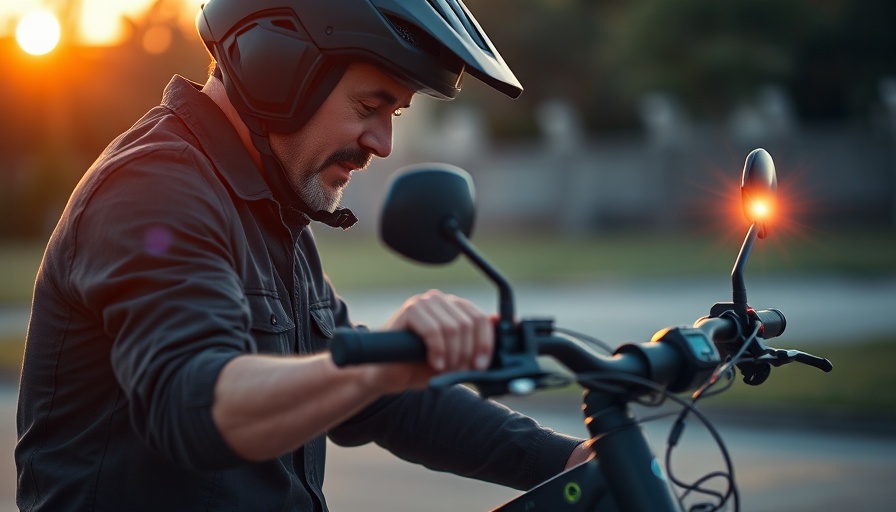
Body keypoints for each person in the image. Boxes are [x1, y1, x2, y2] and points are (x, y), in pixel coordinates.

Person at [15, 1, 590, 510]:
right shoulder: (154, 191)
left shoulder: (268, 210)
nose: (382, 144)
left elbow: (382, 401)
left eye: (396, 115)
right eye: (370, 106)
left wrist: (572, 463)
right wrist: (374, 369)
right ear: (279, 69)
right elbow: (194, 405)